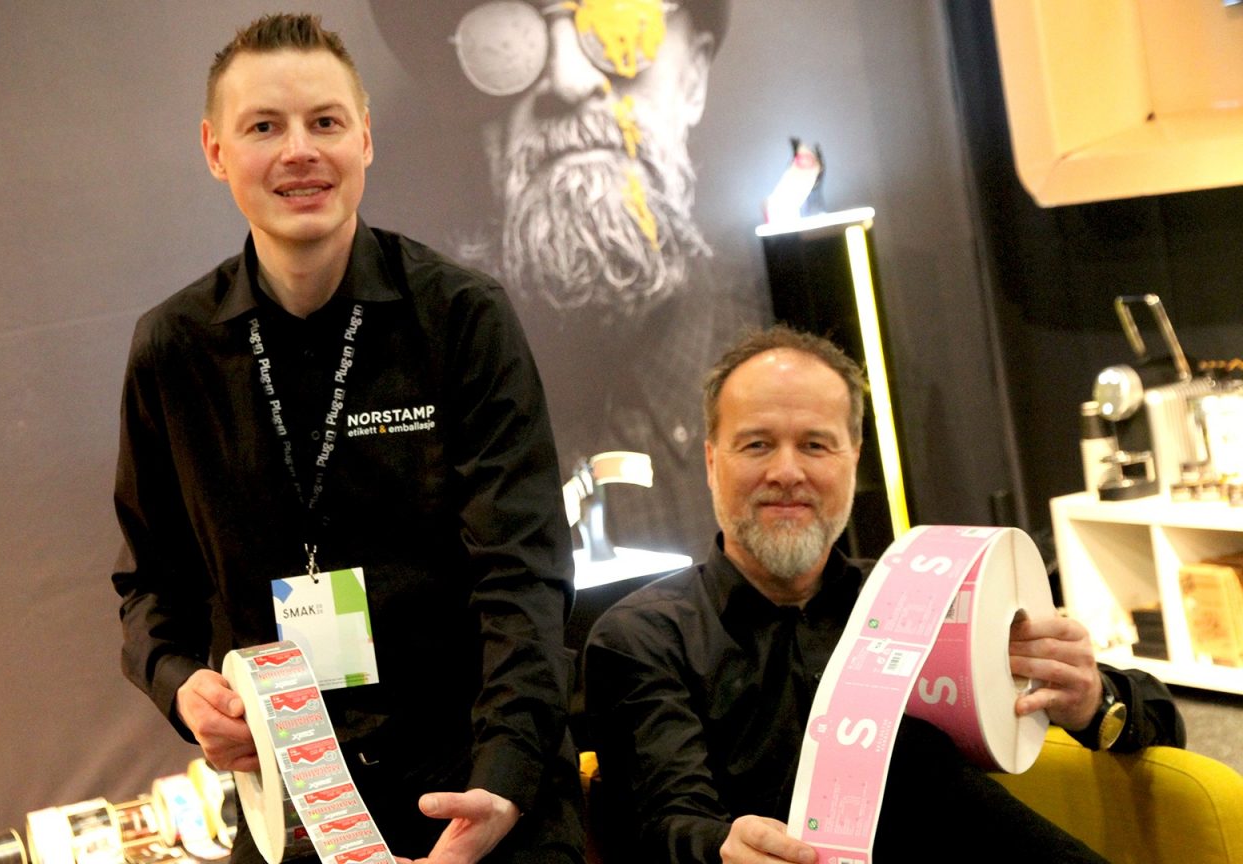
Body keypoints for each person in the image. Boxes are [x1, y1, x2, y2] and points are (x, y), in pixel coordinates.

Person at [111, 14, 583, 864]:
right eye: (264, 126)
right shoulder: (174, 349)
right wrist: (182, 688)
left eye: (324, 122)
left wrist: (504, 778)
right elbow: (151, 582)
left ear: (364, 138)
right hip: (296, 801)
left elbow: (524, 574)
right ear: (216, 151)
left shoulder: (461, 318)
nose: (299, 151)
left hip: (475, 782)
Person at [582, 325, 1186, 863]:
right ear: (713, 462)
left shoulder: (920, 597)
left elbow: (1163, 720)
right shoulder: (643, 638)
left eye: (815, 445)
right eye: (757, 444)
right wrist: (722, 847)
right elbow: (663, 822)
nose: (787, 472)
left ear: (853, 459)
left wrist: (1092, 700)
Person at [367, 0, 762, 557]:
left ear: (692, 80)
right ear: (467, 114)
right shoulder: (422, 436)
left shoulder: (808, 358)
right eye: (507, 41)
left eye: (619, 24)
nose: (568, 81)